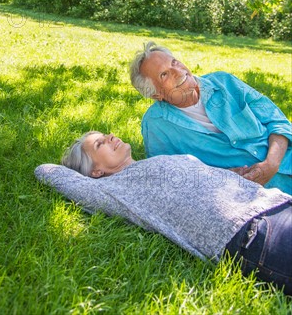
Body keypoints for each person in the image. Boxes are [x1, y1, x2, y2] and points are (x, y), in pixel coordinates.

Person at [35, 131, 292, 295]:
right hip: (251, 231)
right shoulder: (112, 189)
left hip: (275, 202)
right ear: (95, 171)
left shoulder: (153, 161)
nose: (111, 136)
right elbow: (46, 170)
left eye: (105, 134)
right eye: (100, 143)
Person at [129, 42, 292, 194]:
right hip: (255, 196)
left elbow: (276, 120)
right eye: (164, 74)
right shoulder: (156, 125)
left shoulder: (224, 82)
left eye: (174, 63)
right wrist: (221, 176)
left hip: (286, 159)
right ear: (156, 94)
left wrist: (272, 163)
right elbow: (168, 175)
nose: (178, 72)